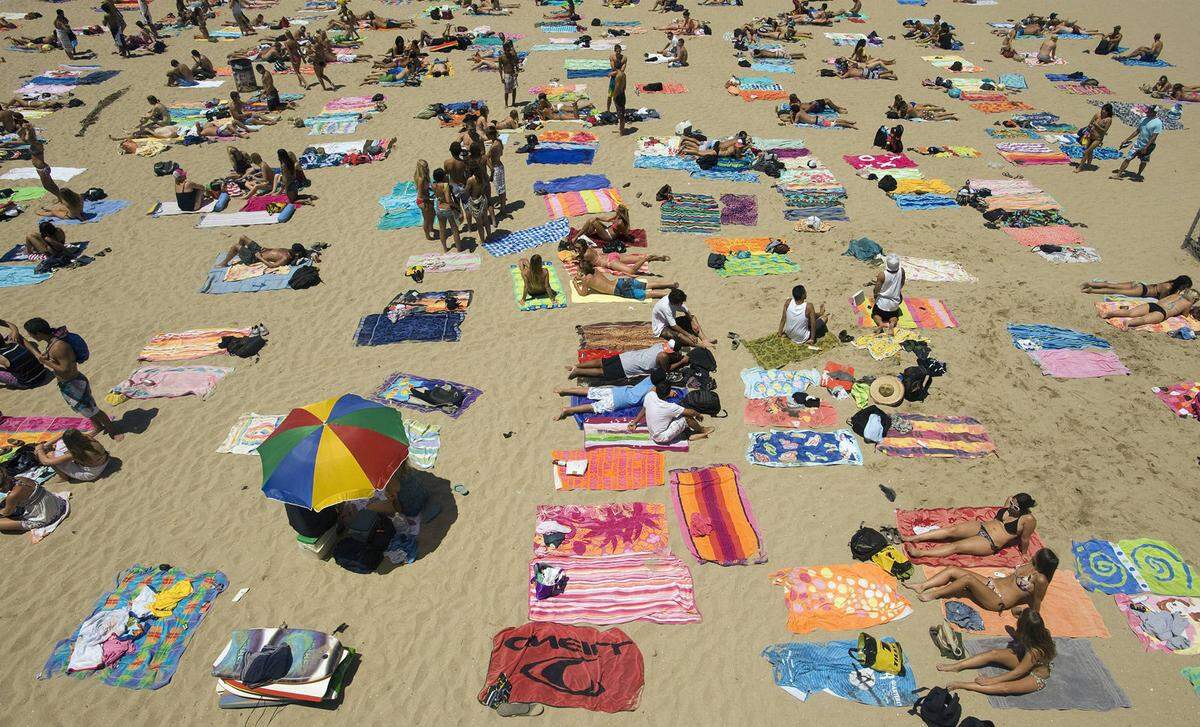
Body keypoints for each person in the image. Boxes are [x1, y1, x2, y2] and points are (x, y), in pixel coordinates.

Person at [12, 319, 121, 439]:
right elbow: (37, 352)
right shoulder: (51, 342)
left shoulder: (59, 347)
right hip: (67, 384)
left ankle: (112, 430)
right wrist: (16, 333)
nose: (30, 336)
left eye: (31, 334)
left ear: (38, 333)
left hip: (74, 384)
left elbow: (65, 369)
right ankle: (97, 427)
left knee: (93, 410)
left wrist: (45, 362)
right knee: (84, 410)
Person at [905, 548, 1059, 613]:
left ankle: (934, 594)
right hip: (991, 583)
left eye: (1037, 555)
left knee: (967, 579)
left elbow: (1037, 601)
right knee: (952, 569)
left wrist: (1030, 618)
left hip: (997, 600)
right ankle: (922, 586)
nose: (1035, 554)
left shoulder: (1041, 579)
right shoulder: (1030, 565)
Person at [941, 609, 1056, 695]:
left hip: (1035, 675)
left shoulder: (1034, 652)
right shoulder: (1041, 631)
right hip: (1025, 660)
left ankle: (962, 685)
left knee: (1005, 687)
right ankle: (957, 666)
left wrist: (991, 680)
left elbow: (1017, 673)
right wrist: (1019, 611)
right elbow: (1015, 611)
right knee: (994, 653)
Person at [903, 494, 1038, 558]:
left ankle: (920, 553)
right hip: (981, 526)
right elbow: (1009, 499)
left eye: (1015, 506)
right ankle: (913, 538)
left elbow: (1025, 539)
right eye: (1012, 503)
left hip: (989, 541)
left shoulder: (1028, 519)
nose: (1011, 507)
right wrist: (1010, 504)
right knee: (952, 530)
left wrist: (1024, 553)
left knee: (955, 546)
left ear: (1023, 508)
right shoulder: (1010, 502)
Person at [630, 373, 712, 443]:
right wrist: (698, 415)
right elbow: (691, 412)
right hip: (661, 437)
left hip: (653, 432)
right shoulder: (669, 407)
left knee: (676, 416)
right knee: (686, 418)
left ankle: (689, 433)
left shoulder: (649, 396)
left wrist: (635, 422)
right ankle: (702, 429)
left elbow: (645, 408)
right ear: (667, 393)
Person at [566, 342, 686, 380]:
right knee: (602, 372)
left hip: (627, 357)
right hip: (628, 366)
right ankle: (577, 372)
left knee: (602, 362)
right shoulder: (663, 356)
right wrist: (681, 362)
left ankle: (575, 366)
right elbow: (666, 369)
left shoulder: (661, 345)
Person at [555, 377, 656, 420]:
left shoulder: (649, 379)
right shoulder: (653, 393)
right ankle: (568, 410)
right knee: (593, 407)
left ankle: (565, 390)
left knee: (590, 391)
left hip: (617, 391)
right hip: (617, 402)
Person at [0, 469, 68, 533]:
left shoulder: (12, 496)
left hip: (46, 517)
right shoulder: (20, 478)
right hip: (58, 504)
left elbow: (6, 512)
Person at [571, 260, 677, 300]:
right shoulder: (595, 270)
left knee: (645, 294)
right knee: (646, 285)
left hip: (618, 290)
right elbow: (593, 278)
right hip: (620, 281)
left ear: (583, 271)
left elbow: (583, 293)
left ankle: (666, 294)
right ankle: (671, 284)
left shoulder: (586, 281)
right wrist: (581, 276)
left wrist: (576, 284)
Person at [35, 428, 110, 482]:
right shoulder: (87, 437)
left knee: (50, 455)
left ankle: (63, 477)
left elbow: (46, 462)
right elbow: (64, 434)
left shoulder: (75, 453)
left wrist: (39, 449)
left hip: (92, 473)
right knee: (60, 445)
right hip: (105, 460)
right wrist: (45, 445)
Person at [1112, 106, 1163, 181]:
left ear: (1154, 112)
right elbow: (1137, 131)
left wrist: (1146, 147)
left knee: (1143, 161)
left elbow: (1154, 137)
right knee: (1128, 158)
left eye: (1149, 111)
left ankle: (1138, 174)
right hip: (1138, 144)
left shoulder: (1158, 123)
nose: (1147, 112)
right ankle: (1119, 174)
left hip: (1148, 146)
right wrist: (1127, 139)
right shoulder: (1143, 119)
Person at [1100, 289, 1199, 326]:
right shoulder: (1188, 304)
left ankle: (1108, 314)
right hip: (1162, 313)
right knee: (1143, 320)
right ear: (1193, 299)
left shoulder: (1176, 295)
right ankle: (1128, 323)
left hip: (1153, 305)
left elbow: (1162, 300)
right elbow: (1185, 315)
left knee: (1130, 312)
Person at [0, 322, 51, 389]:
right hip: (43, 373)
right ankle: (38, 355)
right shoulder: (14, 342)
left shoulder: (2, 357)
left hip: (29, 382)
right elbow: (12, 326)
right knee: (17, 336)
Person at [220, 236, 318, 267]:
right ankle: (240, 252)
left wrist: (260, 258)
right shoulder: (289, 251)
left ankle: (224, 263)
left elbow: (272, 266)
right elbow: (276, 250)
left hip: (254, 258)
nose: (291, 249)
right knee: (243, 237)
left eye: (293, 250)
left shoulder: (286, 258)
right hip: (260, 250)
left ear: (297, 253)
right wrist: (268, 248)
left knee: (235, 246)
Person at [1075, 102, 1113, 172]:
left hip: (1098, 139)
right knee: (1089, 150)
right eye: (1102, 109)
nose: (1102, 111)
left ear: (1108, 112)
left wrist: (1096, 125)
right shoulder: (1097, 114)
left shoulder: (1109, 120)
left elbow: (1105, 131)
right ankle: (1088, 165)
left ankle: (1080, 168)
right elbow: (1090, 124)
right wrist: (1086, 133)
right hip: (1090, 135)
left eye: (1104, 110)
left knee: (1086, 152)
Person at [431, 168, 462, 251]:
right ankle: (459, 248)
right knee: (454, 228)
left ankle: (445, 248)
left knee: (442, 228)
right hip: (447, 208)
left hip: (438, 207)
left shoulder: (433, 185)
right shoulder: (445, 185)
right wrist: (456, 206)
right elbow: (448, 200)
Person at [871, 254, 905, 331]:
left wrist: (875, 296)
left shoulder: (882, 275)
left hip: (882, 305)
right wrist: (896, 291)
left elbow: (876, 290)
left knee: (876, 315)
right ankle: (892, 324)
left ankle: (880, 323)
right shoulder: (901, 271)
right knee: (894, 316)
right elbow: (902, 283)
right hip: (894, 304)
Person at [1081, 276, 1192, 298]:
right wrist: (1177, 294)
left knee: (1112, 285)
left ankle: (1090, 284)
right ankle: (1091, 291)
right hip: (1142, 290)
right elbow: (1162, 299)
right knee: (1113, 291)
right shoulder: (1168, 288)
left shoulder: (1169, 282)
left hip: (1139, 284)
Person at [485, 126, 507, 216]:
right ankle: (503, 208)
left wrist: (491, 172)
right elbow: (500, 154)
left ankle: (503, 209)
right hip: (500, 165)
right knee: (501, 188)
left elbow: (487, 157)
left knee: (500, 190)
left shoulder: (494, 146)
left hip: (496, 168)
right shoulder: (499, 142)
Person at [414, 159, 435, 241]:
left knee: (432, 214)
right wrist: (427, 200)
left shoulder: (424, 176)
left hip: (426, 198)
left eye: (427, 166)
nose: (427, 168)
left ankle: (431, 228)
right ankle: (427, 235)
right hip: (422, 201)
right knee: (426, 219)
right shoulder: (421, 179)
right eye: (425, 167)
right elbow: (420, 194)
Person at [498, 40, 520, 108]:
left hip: (513, 73)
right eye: (507, 49)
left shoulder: (512, 55)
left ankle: (513, 102)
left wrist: (517, 72)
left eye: (509, 49)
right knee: (506, 91)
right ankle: (506, 104)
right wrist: (501, 78)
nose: (508, 51)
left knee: (514, 89)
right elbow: (500, 68)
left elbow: (516, 63)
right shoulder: (501, 57)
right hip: (506, 74)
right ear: (504, 49)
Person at [611, 67, 628, 135]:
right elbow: (624, 86)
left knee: (620, 113)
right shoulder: (623, 74)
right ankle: (622, 129)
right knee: (621, 111)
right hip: (623, 94)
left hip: (619, 95)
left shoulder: (618, 76)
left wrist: (614, 96)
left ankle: (622, 131)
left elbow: (617, 87)